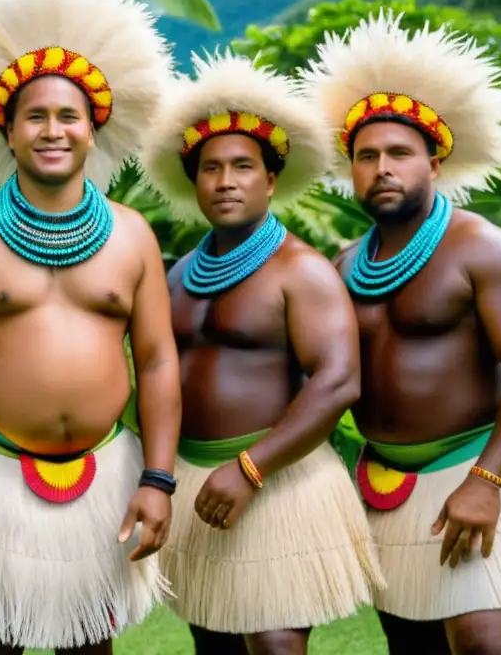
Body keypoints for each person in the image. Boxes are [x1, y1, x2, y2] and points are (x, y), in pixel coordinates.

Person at [0, 0, 182, 654]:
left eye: (70, 115)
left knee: (90, 646)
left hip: (104, 473)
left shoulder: (130, 234)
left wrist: (158, 479)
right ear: (8, 130)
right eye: (36, 116)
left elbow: (155, 361)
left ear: (95, 129)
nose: (53, 129)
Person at [296, 11, 501, 654]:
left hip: (480, 466)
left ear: (434, 158)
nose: (382, 168)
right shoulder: (346, 264)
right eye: (366, 156)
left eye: (399, 153)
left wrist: (487, 483)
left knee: (486, 644)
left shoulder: (487, 250)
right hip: (386, 486)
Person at [138, 51, 384, 655]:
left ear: (270, 180)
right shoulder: (176, 277)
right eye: (211, 168)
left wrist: (252, 468)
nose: (226, 181)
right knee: (213, 643)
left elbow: (337, 381)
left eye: (243, 167)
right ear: (193, 181)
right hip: (197, 479)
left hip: (278, 479)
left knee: (275, 644)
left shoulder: (301, 271)